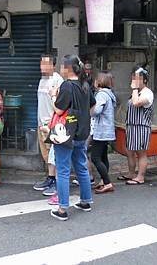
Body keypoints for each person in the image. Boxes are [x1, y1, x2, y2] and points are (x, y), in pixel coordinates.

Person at [49, 55, 96, 221]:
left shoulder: (66, 86)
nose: (61, 70)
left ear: (67, 69)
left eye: (62, 67)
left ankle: (62, 209)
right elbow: (93, 105)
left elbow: (60, 110)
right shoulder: (84, 85)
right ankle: (85, 201)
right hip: (82, 132)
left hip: (65, 134)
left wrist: (53, 96)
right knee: (81, 167)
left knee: (62, 170)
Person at [33, 54, 64, 196]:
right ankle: (50, 178)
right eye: (41, 64)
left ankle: (57, 183)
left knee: (54, 155)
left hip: (52, 124)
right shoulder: (42, 80)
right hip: (41, 123)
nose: (42, 67)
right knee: (46, 155)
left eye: (46, 64)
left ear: (53, 65)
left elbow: (59, 104)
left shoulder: (57, 80)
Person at [121, 67, 154, 185]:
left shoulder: (147, 93)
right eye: (133, 77)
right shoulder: (136, 92)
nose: (134, 80)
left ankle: (140, 176)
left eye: (138, 78)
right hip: (131, 126)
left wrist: (134, 89)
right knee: (129, 151)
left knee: (141, 152)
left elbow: (136, 103)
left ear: (144, 80)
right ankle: (131, 173)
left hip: (141, 126)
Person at [89, 71, 117, 194]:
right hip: (107, 129)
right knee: (103, 156)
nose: (94, 82)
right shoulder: (110, 94)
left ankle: (107, 182)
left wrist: (90, 109)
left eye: (96, 80)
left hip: (100, 130)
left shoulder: (101, 95)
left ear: (100, 82)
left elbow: (97, 111)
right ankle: (103, 181)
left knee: (95, 157)